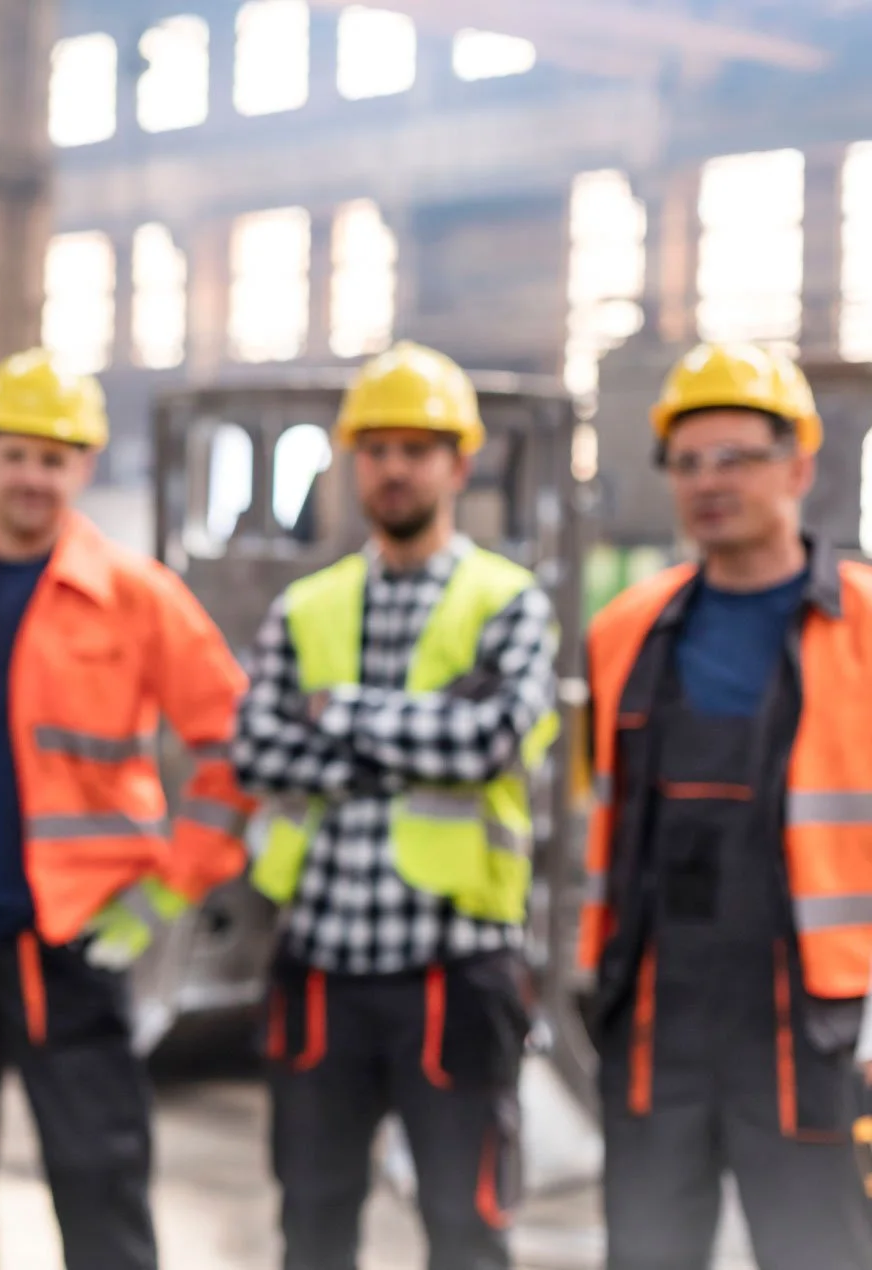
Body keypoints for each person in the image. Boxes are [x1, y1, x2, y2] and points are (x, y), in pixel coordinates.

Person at [0, 349, 252, 1270]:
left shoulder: (137, 595)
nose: (33, 475)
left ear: (83, 466)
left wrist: (155, 903)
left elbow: (236, 751)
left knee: (99, 1175)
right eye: (16, 453)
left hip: (77, 941)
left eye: (55, 456)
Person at [235, 341, 560, 1270]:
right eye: (375, 448)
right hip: (322, 966)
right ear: (352, 462)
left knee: (467, 1228)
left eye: (417, 448)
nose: (394, 467)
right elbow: (258, 746)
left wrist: (339, 714)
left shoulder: (510, 603)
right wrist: (412, 738)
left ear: (460, 464)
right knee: (313, 1223)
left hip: (455, 973)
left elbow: (487, 742)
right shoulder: (307, 608)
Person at [580, 342, 872, 1268]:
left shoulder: (863, 626)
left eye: (737, 456)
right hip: (656, 1009)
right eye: (688, 461)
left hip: (814, 1023)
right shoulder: (624, 629)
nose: (709, 481)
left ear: (800, 465)